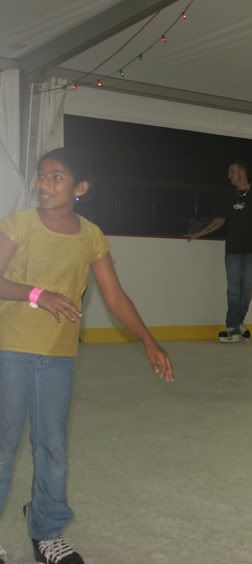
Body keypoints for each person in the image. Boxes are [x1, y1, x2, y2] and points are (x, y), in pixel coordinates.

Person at [0, 148, 174, 564]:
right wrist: (38, 295)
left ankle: (47, 532)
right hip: (11, 350)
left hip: (58, 356)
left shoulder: (91, 235)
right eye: (42, 176)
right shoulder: (18, 224)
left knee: (53, 447)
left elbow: (114, 295)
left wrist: (148, 341)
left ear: (80, 188)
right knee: (3, 445)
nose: (45, 185)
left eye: (57, 178)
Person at [186, 161, 252, 343]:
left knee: (247, 290)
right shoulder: (227, 196)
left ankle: (239, 321)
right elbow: (219, 221)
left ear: (241, 172)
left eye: (231, 172)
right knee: (233, 290)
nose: (228, 176)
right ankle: (232, 326)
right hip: (233, 251)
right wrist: (198, 233)